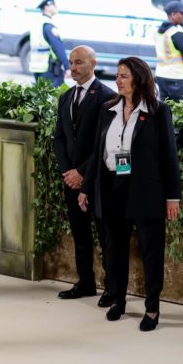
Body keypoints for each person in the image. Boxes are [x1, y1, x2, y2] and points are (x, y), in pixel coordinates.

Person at [78, 57, 181, 332]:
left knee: (151, 250)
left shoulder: (158, 112)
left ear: (138, 78)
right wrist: (87, 187)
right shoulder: (108, 109)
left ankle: (152, 308)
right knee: (114, 248)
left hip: (145, 189)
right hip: (112, 186)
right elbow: (98, 154)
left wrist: (173, 196)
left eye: (123, 75)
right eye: (118, 75)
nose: (118, 80)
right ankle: (118, 300)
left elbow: (169, 157)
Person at [53, 46, 116, 303]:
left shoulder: (107, 97)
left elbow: (104, 144)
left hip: (97, 181)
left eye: (78, 62)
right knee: (80, 233)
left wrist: (82, 174)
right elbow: (60, 139)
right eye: (70, 62)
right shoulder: (66, 98)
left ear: (93, 63)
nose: (73, 68)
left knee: (106, 235)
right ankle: (85, 282)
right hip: (71, 179)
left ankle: (112, 288)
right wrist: (68, 171)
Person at [154, 0, 183, 101]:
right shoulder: (177, 33)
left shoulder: (159, 32)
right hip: (177, 77)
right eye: (182, 13)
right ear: (173, 14)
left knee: (166, 111)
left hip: (160, 76)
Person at [29, 0, 70, 86]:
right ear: (46, 8)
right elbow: (58, 48)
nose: (56, 6)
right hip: (50, 69)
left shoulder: (38, 24)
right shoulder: (49, 26)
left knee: (41, 96)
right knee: (55, 97)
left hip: (37, 68)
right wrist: (67, 67)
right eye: (53, 4)